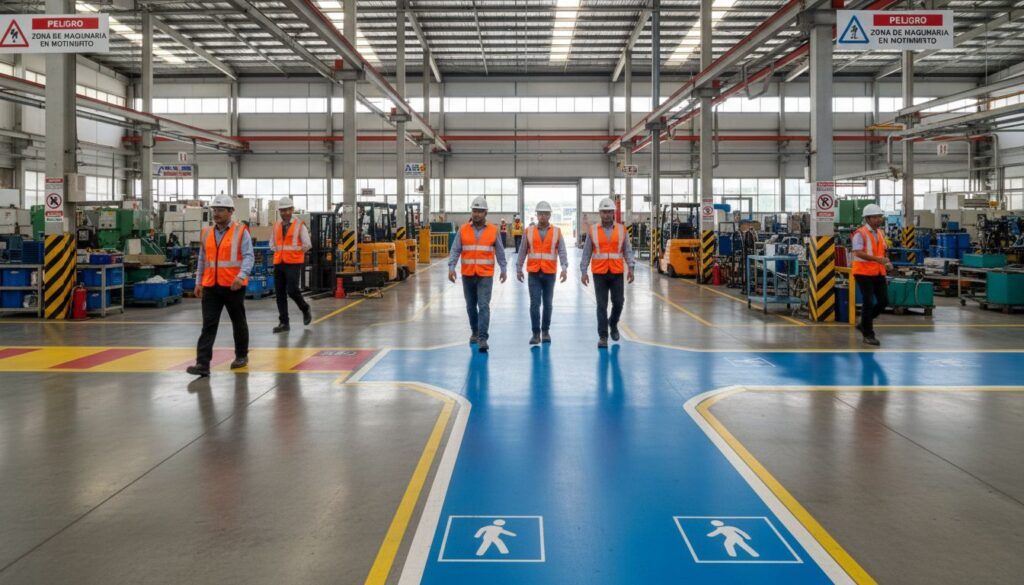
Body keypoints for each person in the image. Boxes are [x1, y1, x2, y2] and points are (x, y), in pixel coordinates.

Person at [187, 195, 255, 377]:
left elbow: (249, 256)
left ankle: (241, 356)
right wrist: (198, 282)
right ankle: (202, 364)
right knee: (208, 324)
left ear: (230, 212)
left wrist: (241, 276)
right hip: (211, 286)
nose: (216, 214)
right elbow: (202, 259)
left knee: (238, 322)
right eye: (214, 210)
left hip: (233, 285)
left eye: (220, 210)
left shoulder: (241, 232)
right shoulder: (207, 232)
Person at [449, 197, 508, 353]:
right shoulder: (463, 229)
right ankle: (474, 331)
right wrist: (451, 267)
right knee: (470, 306)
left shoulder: (493, 230)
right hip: (468, 274)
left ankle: (482, 338)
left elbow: (500, 251)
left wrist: (503, 268)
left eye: (480, 211)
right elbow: (455, 249)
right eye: (474, 211)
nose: (476, 214)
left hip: (485, 275)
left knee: (483, 306)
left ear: (485, 213)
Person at [581, 197, 635, 349]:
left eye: (609, 212)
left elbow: (627, 250)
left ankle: (613, 323)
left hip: (617, 272)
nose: (607, 214)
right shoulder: (593, 230)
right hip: (599, 273)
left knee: (619, 302)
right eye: (604, 212)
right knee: (601, 305)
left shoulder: (621, 229)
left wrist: (631, 267)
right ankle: (603, 336)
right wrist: (583, 271)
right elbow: (586, 252)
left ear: (614, 213)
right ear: (600, 213)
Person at [516, 200, 568, 345]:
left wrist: (564, 268)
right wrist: (518, 268)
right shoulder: (529, 231)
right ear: (537, 215)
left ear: (550, 215)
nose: (543, 216)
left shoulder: (557, 231)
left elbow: (562, 250)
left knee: (548, 304)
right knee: (534, 304)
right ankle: (535, 333)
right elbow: (522, 250)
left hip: (549, 273)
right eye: (540, 214)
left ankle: (545, 331)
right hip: (533, 273)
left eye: (545, 214)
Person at [852, 204, 893, 346]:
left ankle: (864, 322)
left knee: (884, 302)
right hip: (863, 272)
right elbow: (858, 252)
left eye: (879, 216)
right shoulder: (860, 233)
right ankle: (868, 334)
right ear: (867, 219)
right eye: (875, 217)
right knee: (868, 302)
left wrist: (887, 262)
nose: (878, 219)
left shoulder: (880, 233)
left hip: (878, 271)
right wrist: (877, 260)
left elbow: (882, 251)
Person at [271, 197, 312, 333]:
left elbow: (307, 244)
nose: (285, 213)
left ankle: (304, 308)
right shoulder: (276, 225)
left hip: (293, 263)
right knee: (280, 294)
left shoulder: (299, 225)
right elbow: (272, 243)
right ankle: (284, 323)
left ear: (292, 210)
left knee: (292, 290)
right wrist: (278, 251)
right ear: (280, 211)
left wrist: (295, 253)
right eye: (282, 210)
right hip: (279, 263)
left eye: (287, 210)